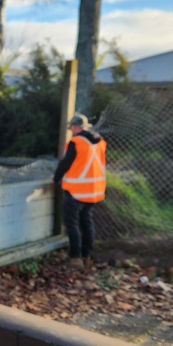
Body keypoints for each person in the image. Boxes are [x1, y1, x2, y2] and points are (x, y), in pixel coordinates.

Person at [53, 113, 106, 267]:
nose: (71, 130)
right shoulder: (100, 142)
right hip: (94, 191)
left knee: (71, 223)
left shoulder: (76, 142)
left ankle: (76, 258)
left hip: (77, 191)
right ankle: (87, 256)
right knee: (87, 222)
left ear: (75, 127)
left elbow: (65, 163)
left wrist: (56, 178)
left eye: (71, 127)